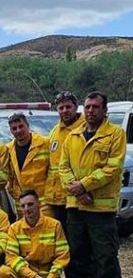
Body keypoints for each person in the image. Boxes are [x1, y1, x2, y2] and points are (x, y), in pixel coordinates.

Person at [59, 91, 126, 278]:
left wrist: (85, 186)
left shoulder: (115, 135)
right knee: (78, 254)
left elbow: (113, 167)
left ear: (105, 110)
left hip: (101, 210)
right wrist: (76, 191)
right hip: (76, 208)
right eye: (87, 107)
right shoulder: (73, 136)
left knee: (105, 256)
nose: (90, 111)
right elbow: (63, 168)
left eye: (96, 107)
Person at [0, 190, 69, 278]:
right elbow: (11, 258)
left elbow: (62, 257)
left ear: (39, 204)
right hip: (28, 275)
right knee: (4, 271)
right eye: (23, 206)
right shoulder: (14, 228)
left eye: (30, 204)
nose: (27, 209)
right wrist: (34, 277)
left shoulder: (54, 225)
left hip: (46, 277)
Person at [44, 92, 85, 223]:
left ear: (76, 107)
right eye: (61, 108)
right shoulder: (55, 131)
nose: (64, 111)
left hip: (77, 196)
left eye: (68, 107)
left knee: (76, 239)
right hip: (56, 198)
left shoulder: (85, 129)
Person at [6, 112, 51, 211]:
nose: (18, 130)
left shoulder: (45, 143)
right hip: (21, 204)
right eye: (14, 128)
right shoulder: (8, 149)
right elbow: (9, 176)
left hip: (43, 202)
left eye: (21, 126)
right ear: (11, 131)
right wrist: (12, 191)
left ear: (28, 125)